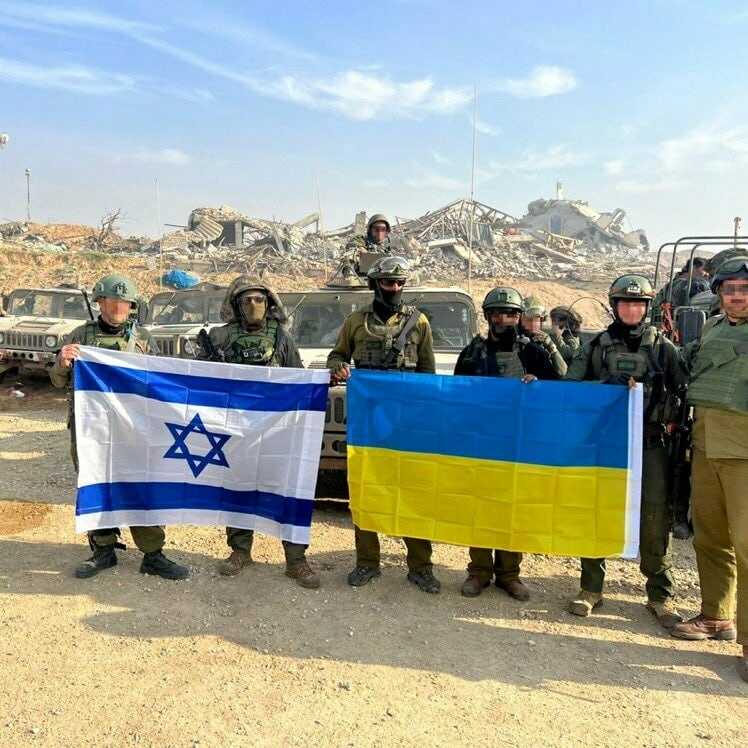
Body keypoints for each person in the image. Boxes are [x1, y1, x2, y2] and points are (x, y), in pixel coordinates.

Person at [565, 274, 688, 629]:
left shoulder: (663, 347)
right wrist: (605, 387)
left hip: (651, 445)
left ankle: (660, 595)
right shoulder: (596, 346)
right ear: (615, 306)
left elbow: (684, 388)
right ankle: (590, 587)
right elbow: (570, 390)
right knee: (598, 511)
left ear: (647, 308)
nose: (632, 310)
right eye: (625, 304)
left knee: (653, 516)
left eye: (638, 304)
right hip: (606, 445)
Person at [50, 274, 189, 581]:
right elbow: (57, 381)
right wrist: (62, 362)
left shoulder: (143, 339)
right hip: (91, 430)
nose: (118, 308)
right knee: (97, 484)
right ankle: (103, 549)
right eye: (112, 301)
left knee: (142, 485)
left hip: (135, 430)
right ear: (99, 302)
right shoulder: (80, 336)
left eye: (124, 303)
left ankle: (152, 554)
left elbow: (159, 382)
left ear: (132, 306)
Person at [326, 256, 440, 593]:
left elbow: (428, 376)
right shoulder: (356, 322)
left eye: (400, 283)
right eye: (389, 282)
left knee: (413, 494)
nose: (395, 288)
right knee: (366, 491)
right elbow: (336, 355)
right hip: (368, 422)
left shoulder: (419, 323)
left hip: (406, 424)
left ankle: (420, 567)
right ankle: (366, 563)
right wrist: (338, 367)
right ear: (375, 284)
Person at [200, 276, 320, 589]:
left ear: (269, 303)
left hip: (277, 429)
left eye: (259, 300)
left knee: (287, 489)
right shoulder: (220, 337)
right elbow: (200, 379)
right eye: (247, 300)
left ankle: (296, 558)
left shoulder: (281, 336)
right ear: (236, 305)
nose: (254, 305)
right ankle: (240, 550)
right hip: (237, 428)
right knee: (237, 488)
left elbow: (299, 378)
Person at [455, 287, 564, 601]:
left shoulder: (532, 352)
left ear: (520, 317)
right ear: (488, 317)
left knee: (512, 509)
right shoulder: (473, 352)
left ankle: (509, 574)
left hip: (519, 444)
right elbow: (458, 394)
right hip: (483, 442)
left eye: (512, 314)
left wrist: (537, 383)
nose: (504, 320)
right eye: (498, 314)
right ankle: (478, 571)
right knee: (481, 506)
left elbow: (562, 387)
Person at [670, 257, 748, 682]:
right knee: (711, 536)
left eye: (744, 289)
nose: (736, 296)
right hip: (706, 445)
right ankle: (717, 615)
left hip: (744, 454)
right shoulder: (714, 327)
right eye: (729, 289)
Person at [519, 296, 568, 378]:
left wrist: (551, 346)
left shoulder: (545, 339)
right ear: (521, 319)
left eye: (537, 320)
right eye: (529, 320)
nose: (533, 324)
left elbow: (562, 371)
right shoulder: (517, 340)